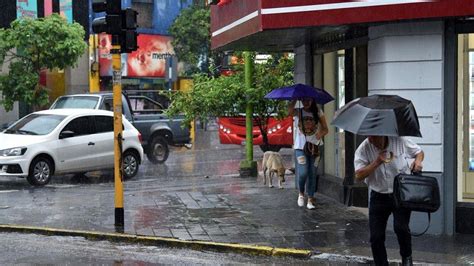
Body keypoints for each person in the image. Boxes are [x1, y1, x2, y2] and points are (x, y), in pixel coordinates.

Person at [354, 136, 424, 266]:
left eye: (374, 136)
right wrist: (376, 162)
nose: (370, 139)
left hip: (400, 194)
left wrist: (418, 161)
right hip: (378, 195)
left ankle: (407, 257)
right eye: (369, 136)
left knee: (401, 228)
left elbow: (419, 152)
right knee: (376, 237)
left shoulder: (399, 141)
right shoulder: (363, 148)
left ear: (383, 133)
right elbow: (358, 175)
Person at [288, 98, 328, 210]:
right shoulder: (298, 112)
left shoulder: (318, 111)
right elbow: (289, 112)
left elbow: (326, 129)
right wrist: (294, 99)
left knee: (312, 173)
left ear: (312, 100)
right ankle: (301, 193)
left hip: (316, 148)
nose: (306, 102)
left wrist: (320, 134)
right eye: (304, 100)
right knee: (303, 173)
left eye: (308, 100)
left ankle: (310, 198)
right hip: (300, 148)